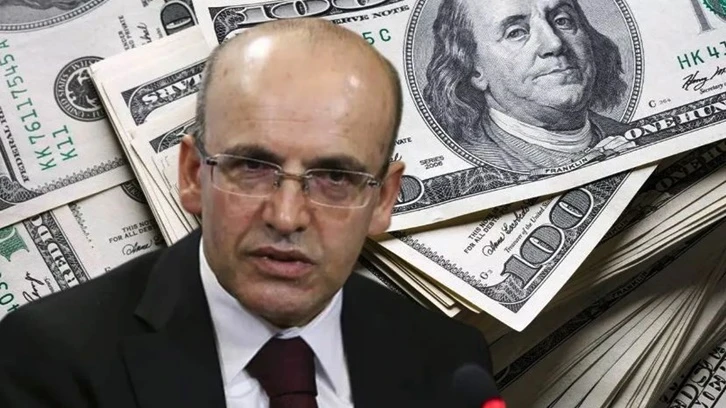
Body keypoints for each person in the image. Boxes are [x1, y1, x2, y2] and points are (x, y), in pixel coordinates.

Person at [0, 19, 493, 408]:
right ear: (193, 174)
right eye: (253, 167)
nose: (286, 216)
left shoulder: (450, 363)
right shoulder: (50, 359)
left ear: (383, 199)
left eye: (335, 177)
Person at [424, 0, 635, 173]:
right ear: (474, 70)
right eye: (516, 32)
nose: (555, 43)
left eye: (562, 21)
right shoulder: (474, 164)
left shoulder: (633, 136)